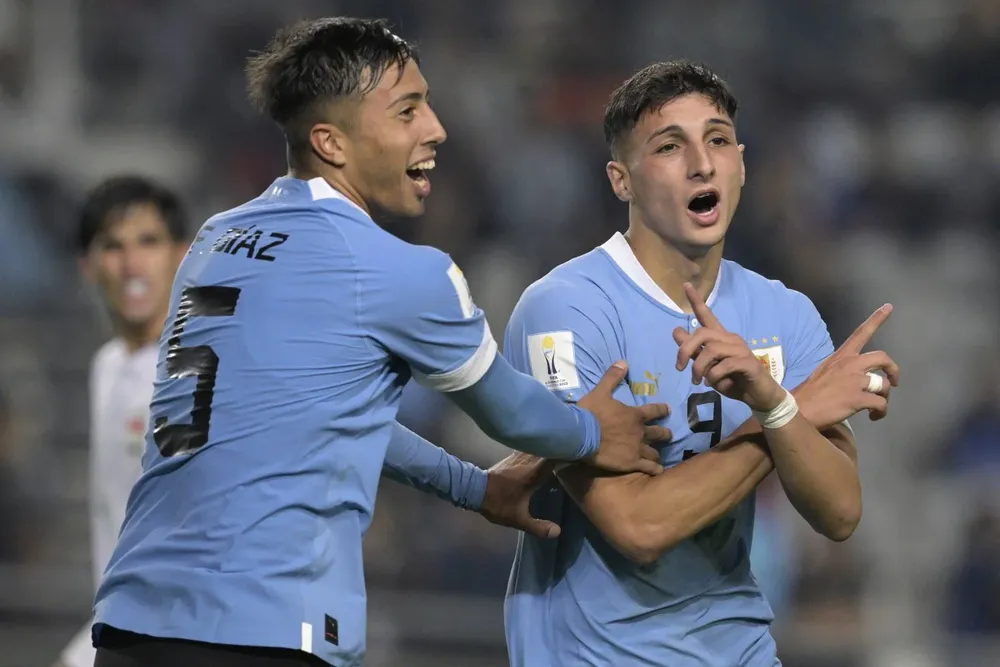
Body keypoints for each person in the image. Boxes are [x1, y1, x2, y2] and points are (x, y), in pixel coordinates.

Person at [91, 17, 669, 667]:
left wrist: (473, 488)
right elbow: (511, 412)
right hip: (266, 630)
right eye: (408, 111)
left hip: (132, 624)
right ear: (331, 143)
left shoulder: (215, 240)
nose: (436, 128)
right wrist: (596, 432)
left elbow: (320, 414)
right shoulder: (398, 270)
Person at [501, 61, 901, 666]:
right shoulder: (565, 311)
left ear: (739, 162)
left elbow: (839, 511)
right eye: (669, 146)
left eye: (717, 140)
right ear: (621, 180)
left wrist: (775, 402)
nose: (701, 162)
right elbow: (637, 527)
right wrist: (788, 416)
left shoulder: (782, 312)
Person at [55, 176, 190, 667]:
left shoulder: (202, 368)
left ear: (183, 252)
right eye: (113, 246)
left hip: (180, 637)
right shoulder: (105, 367)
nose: (132, 264)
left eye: (149, 242)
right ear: (87, 266)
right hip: (119, 633)